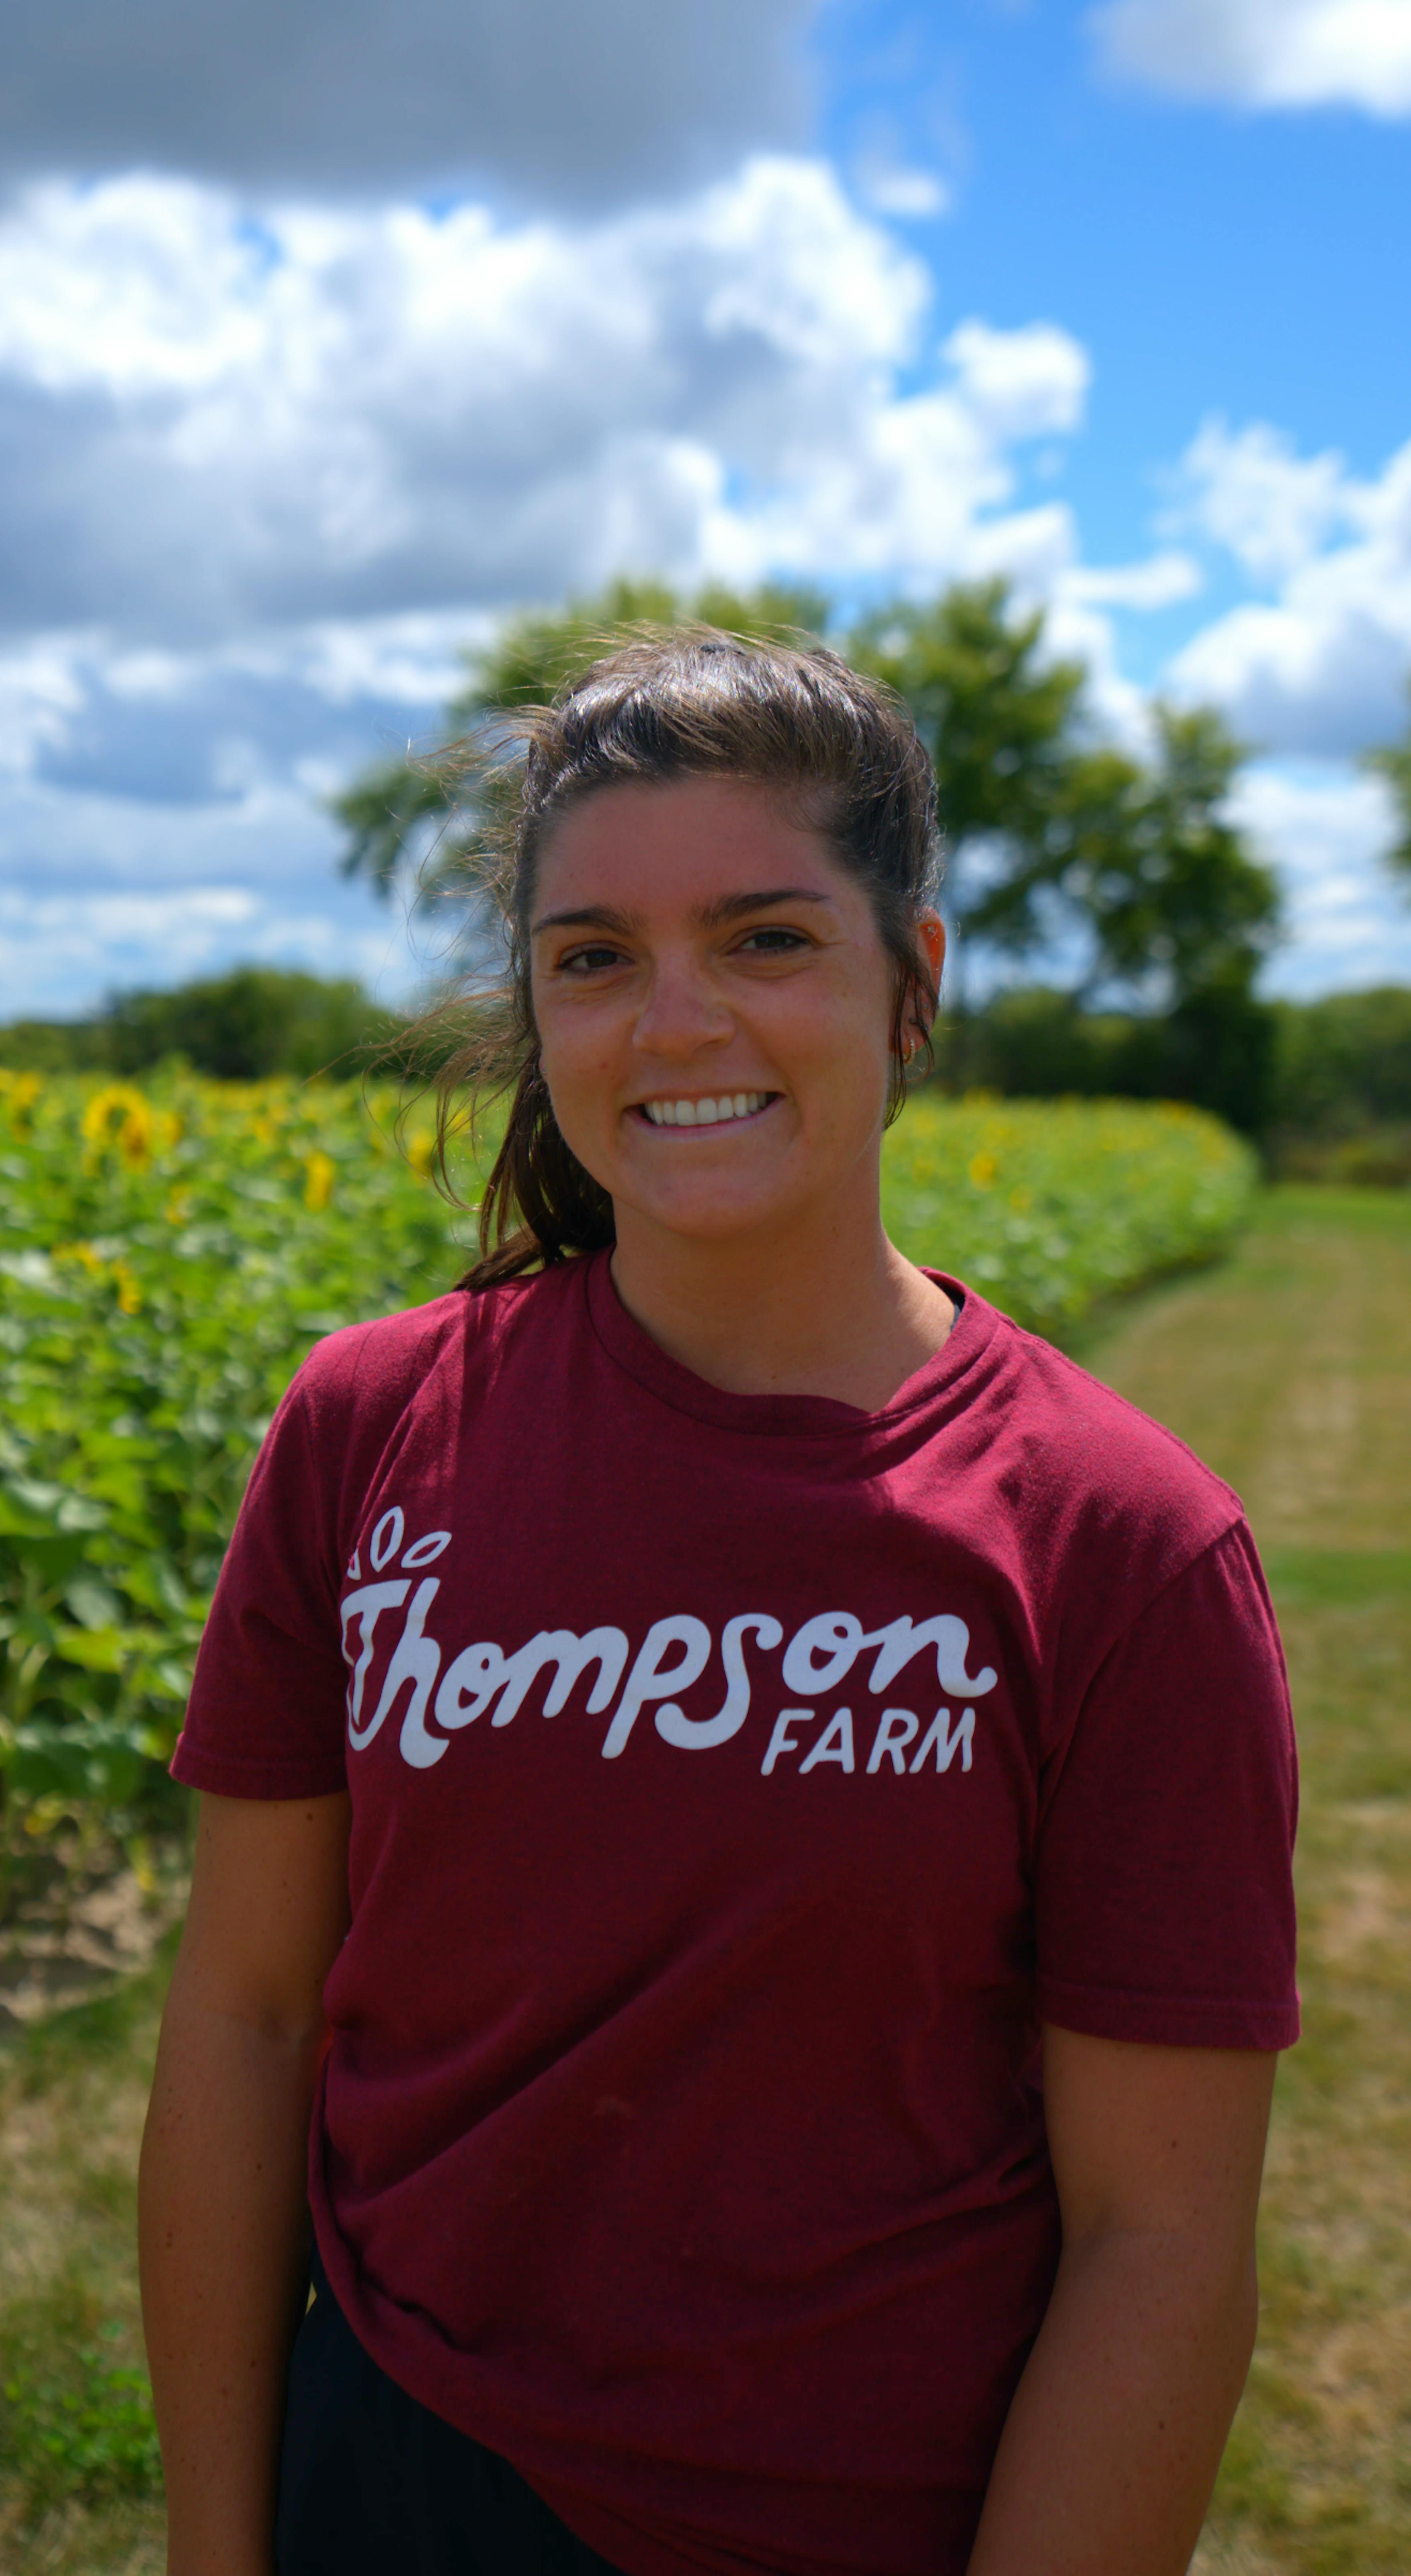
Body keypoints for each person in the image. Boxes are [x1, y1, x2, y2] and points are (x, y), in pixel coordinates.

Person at [139, 631, 1298, 2576]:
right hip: (401, 2470)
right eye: (594, 957)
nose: (674, 1022)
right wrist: (217, 2547)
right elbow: (250, 2020)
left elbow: (1158, 2240)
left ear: (912, 981)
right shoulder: (368, 1430)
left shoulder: (1117, 1544)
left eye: (766, 939)